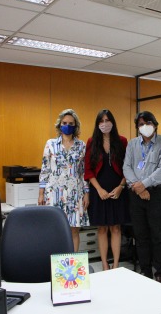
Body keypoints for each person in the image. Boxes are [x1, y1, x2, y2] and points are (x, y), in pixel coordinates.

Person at [123, 111, 161, 285]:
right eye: (140, 124)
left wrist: (143, 184)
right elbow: (126, 167)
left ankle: (160, 272)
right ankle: (145, 270)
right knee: (141, 234)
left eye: (148, 123)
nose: (144, 127)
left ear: (155, 124)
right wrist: (138, 187)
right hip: (136, 194)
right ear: (137, 127)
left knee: (158, 234)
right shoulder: (132, 144)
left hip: (155, 193)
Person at [38, 108, 90, 252]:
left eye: (71, 123)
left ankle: (72, 265)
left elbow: (84, 172)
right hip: (54, 193)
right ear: (60, 125)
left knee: (74, 231)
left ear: (75, 126)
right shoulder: (50, 144)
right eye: (65, 122)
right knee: (54, 230)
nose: (67, 125)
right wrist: (41, 193)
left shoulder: (82, 146)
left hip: (75, 193)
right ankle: (55, 267)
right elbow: (45, 169)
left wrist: (87, 193)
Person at [84, 109, 129, 271]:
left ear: (113, 122)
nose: (104, 124)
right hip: (99, 191)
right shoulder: (92, 142)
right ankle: (104, 263)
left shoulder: (122, 141)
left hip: (118, 190)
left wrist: (121, 187)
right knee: (102, 228)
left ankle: (116, 264)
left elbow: (128, 168)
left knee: (116, 228)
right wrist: (98, 189)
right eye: (101, 121)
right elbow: (88, 170)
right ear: (97, 124)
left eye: (107, 120)